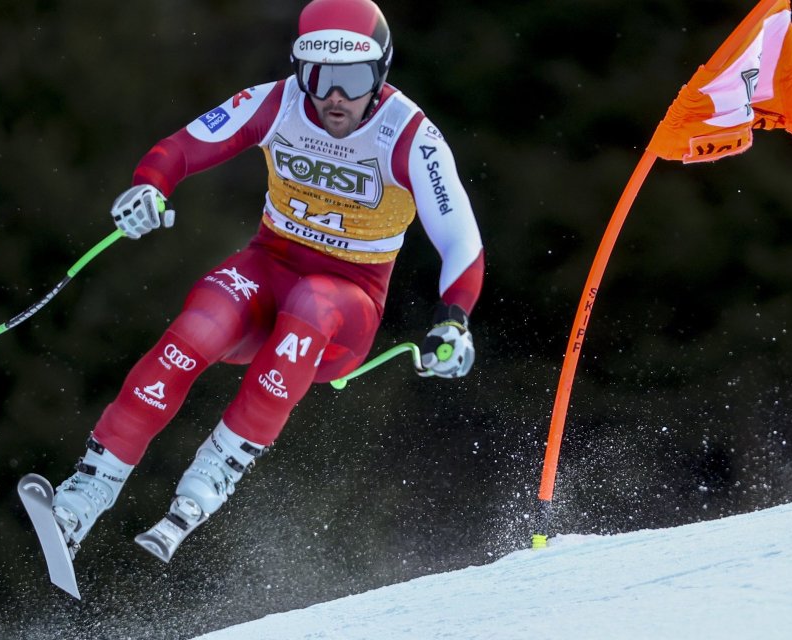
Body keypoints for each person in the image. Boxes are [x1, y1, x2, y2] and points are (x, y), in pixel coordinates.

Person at [49, 0, 485, 564]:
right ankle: (85, 495)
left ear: (380, 72)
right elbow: (181, 147)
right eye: (318, 76)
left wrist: (454, 321)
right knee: (198, 326)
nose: (333, 97)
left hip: (345, 309)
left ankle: (208, 482)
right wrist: (150, 187)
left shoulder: (410, 136)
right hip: (268, 269)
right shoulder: (279, 102)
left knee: (312, 302)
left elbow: (461, 240)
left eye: (351, 79)